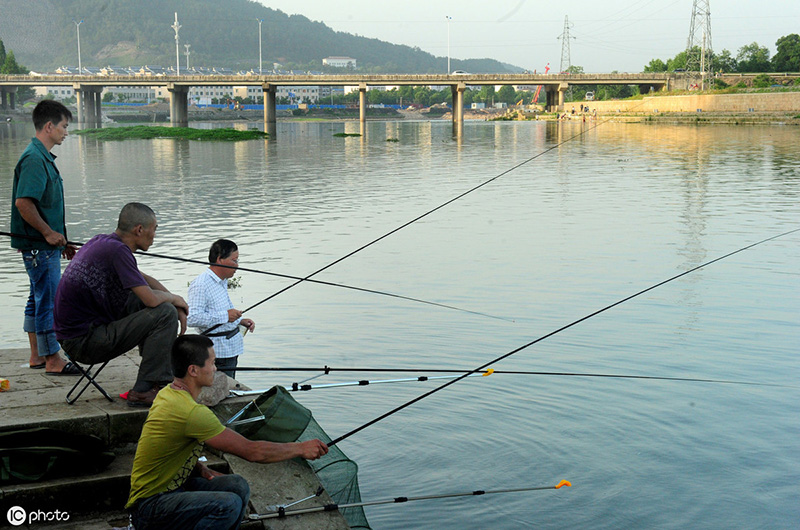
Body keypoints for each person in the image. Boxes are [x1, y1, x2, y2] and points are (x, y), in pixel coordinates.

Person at [126, 335, 328, 530]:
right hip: (150, 507)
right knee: (227, 504)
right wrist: (300, 448)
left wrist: (199, 469)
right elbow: (252, 451)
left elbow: (168, 447)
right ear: (193, 370)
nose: (215, 368)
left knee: (237, 485)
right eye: (212, 363)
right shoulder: (191, 412)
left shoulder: (168, 394)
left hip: (173, 489)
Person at [54, 202, 189, 406]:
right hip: (84, 343)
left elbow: (142, 279)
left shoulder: (104, 242)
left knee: (147, 301)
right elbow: (151, 299)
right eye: (154, 230)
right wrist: (174, 300)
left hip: (75, 336)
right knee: (164, 313)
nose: (154, 236)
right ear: (139, 230)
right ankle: (147, 389)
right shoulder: (118, 251)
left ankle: (155, 373)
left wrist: (175, 299)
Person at [10, 100, 79, 375]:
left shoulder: (41, 156)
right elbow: (24, 203)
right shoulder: (35, 159)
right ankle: (53, 359)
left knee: (37, 297)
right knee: (48, 300)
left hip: (43, 244)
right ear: (49, 126)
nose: (66, 132)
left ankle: (37, 356)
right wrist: (48, 234)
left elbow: (45, 207)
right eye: (63, 126)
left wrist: (60, 238)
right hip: (39, 247)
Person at [187, 239, 255, 379]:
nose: (237, 266)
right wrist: (225, 316)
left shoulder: (222, 281)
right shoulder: (201, 284)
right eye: (234, 260)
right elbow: (192, 318)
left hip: (230, 348)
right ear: (220, 259)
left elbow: (222, 310)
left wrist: (240, 320)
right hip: (217, 354)